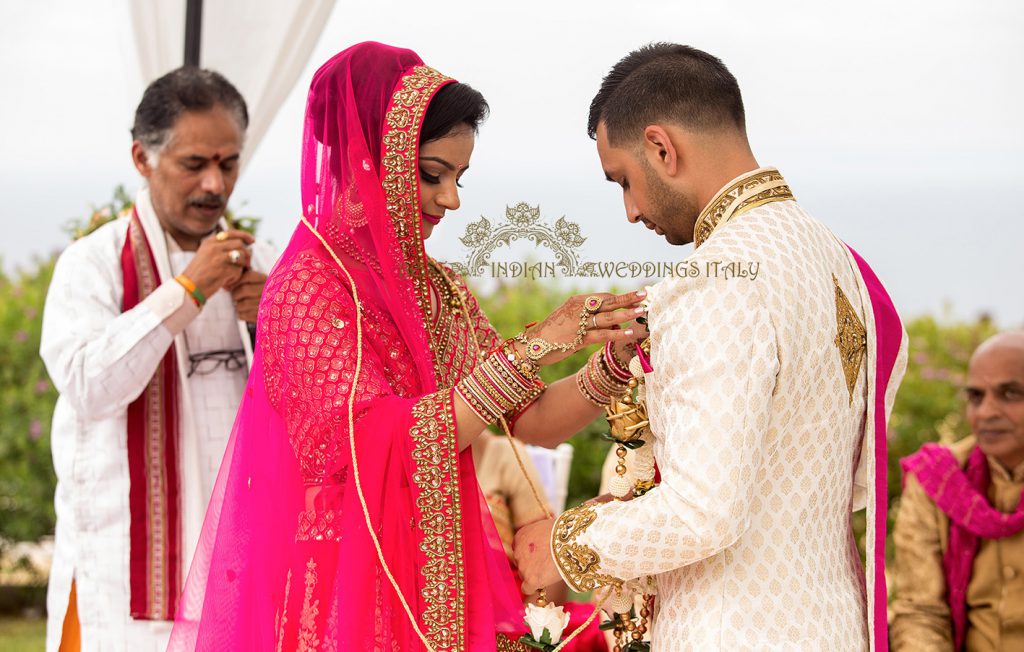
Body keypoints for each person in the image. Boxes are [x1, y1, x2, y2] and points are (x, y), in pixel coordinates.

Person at [168, 41, 645, 651]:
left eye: (459, 178)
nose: (451, 200)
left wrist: (610, 361)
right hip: (341, 594)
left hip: (439, 582)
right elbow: (375, 442)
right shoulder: (309, 289)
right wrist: (528, 353)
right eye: (431, 174)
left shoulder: (440, 290)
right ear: (374, 159)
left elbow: (532, 422)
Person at [513, 42, 908, 651]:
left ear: (662, 148)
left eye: (623, 180)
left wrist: (567, 547)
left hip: (730, 632)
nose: (630, 210)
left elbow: (703, 511)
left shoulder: (715, 282)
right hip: (834, 624)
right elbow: (854, 478)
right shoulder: (839, 264)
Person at [39, 67, 275, 651]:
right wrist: (185, 291)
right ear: (142, 159)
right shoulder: (91, 266)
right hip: (122, 586)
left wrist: (271, 323)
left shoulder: (264, 265)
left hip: (240, 575)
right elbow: (89, 385)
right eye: (194, 164)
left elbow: (315, 418)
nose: (215, 185)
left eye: (229, 162)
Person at [892, 331, 1024, 651]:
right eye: (976, 397)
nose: (986, 412)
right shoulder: (938, 481)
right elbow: (920, 611)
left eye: (1010, 393)